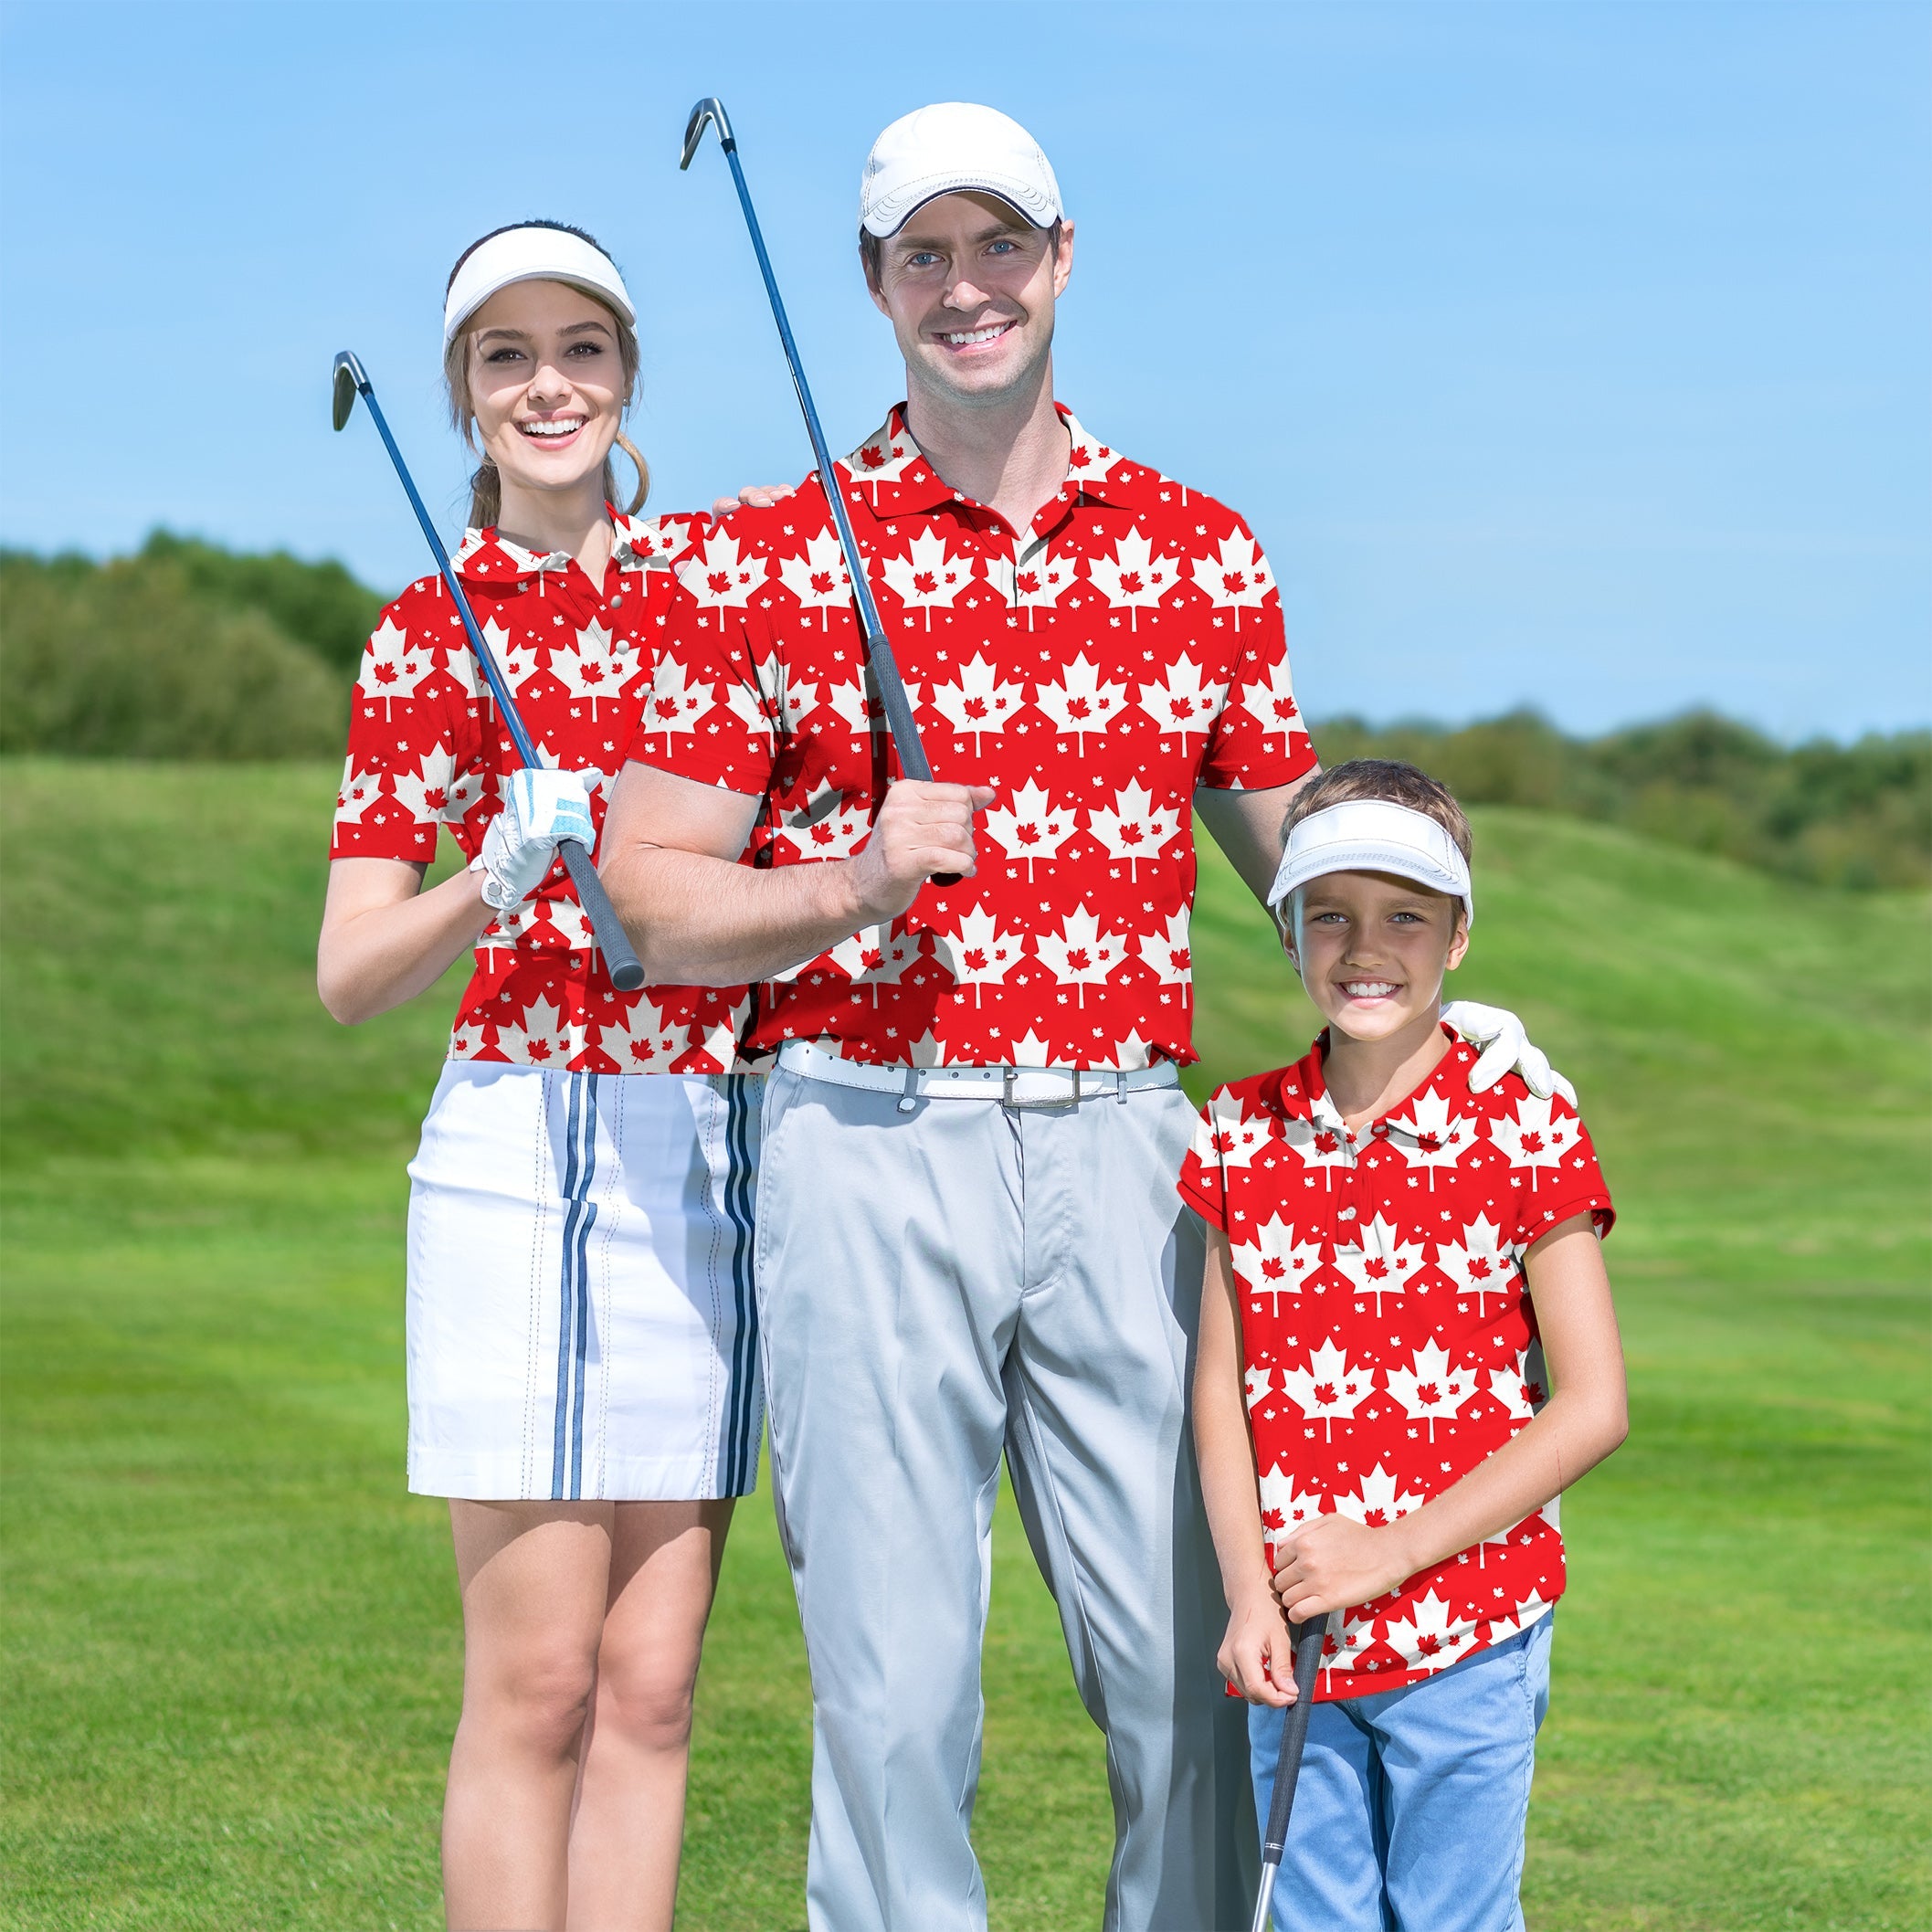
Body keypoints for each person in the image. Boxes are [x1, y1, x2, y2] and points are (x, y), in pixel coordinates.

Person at [599, 105, 1563, 1931]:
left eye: (999, 246)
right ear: (874, 285)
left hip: (1134, 1153)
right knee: (894, 1696)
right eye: (923, 255)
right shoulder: (764, 555)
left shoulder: (1198, 550)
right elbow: (646, 891)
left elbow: (1301, 857)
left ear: (1061, 258)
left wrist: (1448, 991)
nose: (967, 289)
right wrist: (842, 886)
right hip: (859, 1129)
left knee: (1198, 1665)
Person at [318, 221, 764, 1932]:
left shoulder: (720, 594)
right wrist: (483, 877)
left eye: (581, 346)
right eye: (506, 356)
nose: (549, 382)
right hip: (519, 1147)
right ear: (463, 396)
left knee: (653, 1688)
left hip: (698, 1156)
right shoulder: (426, 633)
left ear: (628, 374)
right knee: (538, 1685)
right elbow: (352, 973)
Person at [1183, 759, 1630, 1931]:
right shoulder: (1239, 1130)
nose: (1363, 946)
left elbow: (1592, 1406)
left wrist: (1390, 1553)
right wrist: (1245, 1596)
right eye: (1328, 913)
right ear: (1286, 928)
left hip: (1471, 1624)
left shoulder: (1523, 1121)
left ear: (1458, 938)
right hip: (1296, 1635)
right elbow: (1219, 1391)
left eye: (1404, 917)